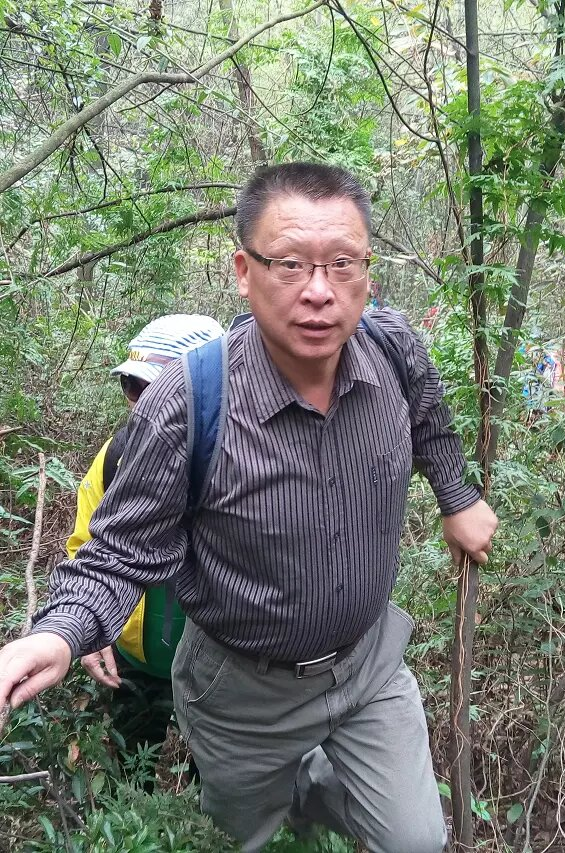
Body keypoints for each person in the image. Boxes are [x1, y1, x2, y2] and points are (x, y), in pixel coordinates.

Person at [0, 162, 498, 853]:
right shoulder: (189, 403)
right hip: (241, 693)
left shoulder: (392, 349)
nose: (319, 290)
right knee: (240, 835)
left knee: (415, 840)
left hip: (368, 664)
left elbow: (430, 419)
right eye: (289, 264)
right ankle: (293, 784)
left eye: (342, 264)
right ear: (244, 270)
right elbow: (118, 552)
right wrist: (59, 633)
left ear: (367, 272)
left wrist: (457, 496)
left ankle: (312, 779)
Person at [66, 314, 224, 757]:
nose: (140, 405)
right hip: (134, 656)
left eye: (156, 390)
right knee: (132, 757)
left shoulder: (251, 466)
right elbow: (85, 546)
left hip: (221, 664)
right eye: (131, 387)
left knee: (218, 777)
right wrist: (91, 630)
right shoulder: (115, 457)